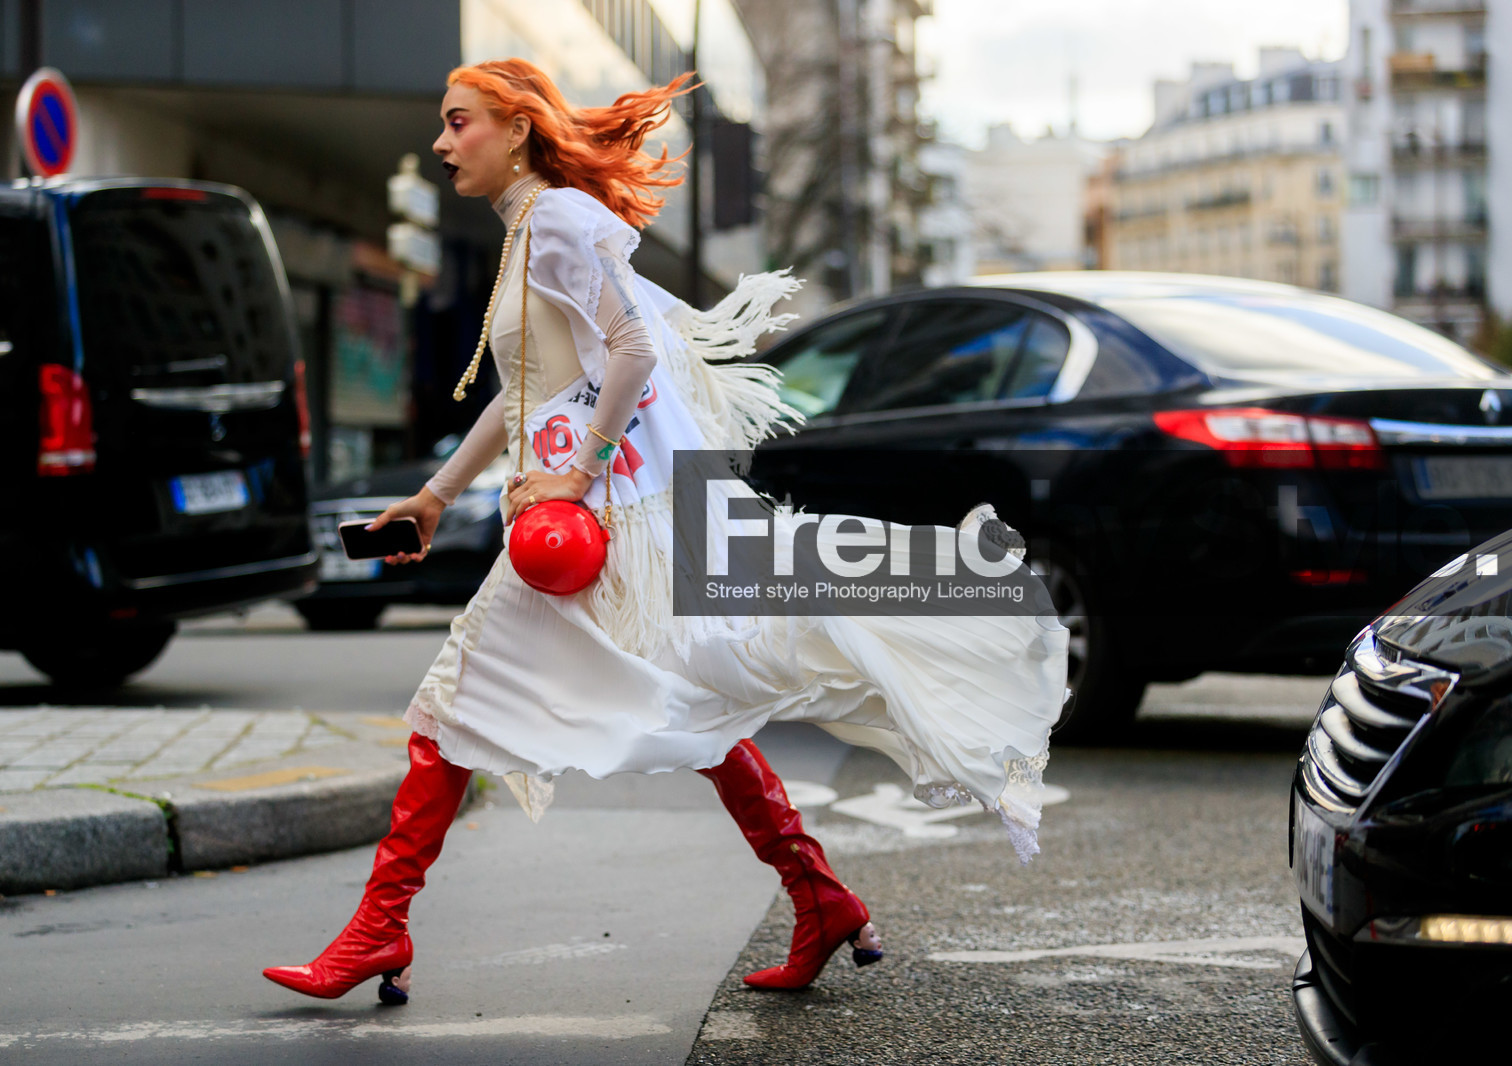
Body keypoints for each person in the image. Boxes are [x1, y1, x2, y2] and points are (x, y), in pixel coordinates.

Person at [263, 58, 1069, 1006]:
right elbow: (524, 397)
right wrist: (436, 496)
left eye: (459, 121)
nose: (442, 142)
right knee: (684, 703)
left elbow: (635, 350)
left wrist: (580, 470)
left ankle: (379, 929)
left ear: (517, 130)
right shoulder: (530, 230)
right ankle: (821, 898)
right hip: (579, 521)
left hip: (592, 524)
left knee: (452, 709)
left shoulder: (559, 219)